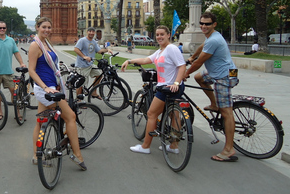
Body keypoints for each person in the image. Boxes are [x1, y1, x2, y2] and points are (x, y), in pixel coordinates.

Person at [29, 17, 86, 170]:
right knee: (71, 116)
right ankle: (76, 154)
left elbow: (50, 64)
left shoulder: (46, 43)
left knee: (40, 122)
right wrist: (45, 87)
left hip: (51, 86)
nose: (46, 30)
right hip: (46, 89)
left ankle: (36, 156)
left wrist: (60, 69)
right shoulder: (35, 45)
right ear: (37, 27)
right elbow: (32, 71)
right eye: (44, 27)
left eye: (49, 27)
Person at [121, 25, 186, 154]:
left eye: (162, 34)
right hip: (170, 86)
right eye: (157, 35)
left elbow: (182, 66)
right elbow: (146, 60)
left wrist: (177, 83)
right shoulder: (161, 50)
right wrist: (129, 60)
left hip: (169, 87)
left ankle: (145, 146)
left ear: (169, 35)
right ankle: (174, 146)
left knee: (151, 114)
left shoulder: (171, 48)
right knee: (174, 114)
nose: (159, 37)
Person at [185, 11, 239, 162]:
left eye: (207, 24)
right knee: (199, 77)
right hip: (228, 70)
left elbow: (199, 63)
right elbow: (202, 47)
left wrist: (185, 73)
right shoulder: (212, 37)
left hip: (224, 75)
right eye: (201, 23)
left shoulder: (213, 40)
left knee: (226, 111)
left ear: (214, 24)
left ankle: (229, 149)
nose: (203, 26)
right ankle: (214, 104)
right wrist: (191, 56)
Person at [0, 21, 26, 120]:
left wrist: (21, 63)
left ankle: (17, 112)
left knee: (14, 92)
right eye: (0, 28)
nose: (2, 29)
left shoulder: (11, 41)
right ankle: (0, 112)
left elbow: (16, 53)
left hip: (8, 71)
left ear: (6, 29)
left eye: (4, 28)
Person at [73, 27, 112, 95]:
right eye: (90, 31)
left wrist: (107, 50)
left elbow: (99, 51)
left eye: (93, 31)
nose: (91, 33)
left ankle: (94, 91)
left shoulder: (93, 41)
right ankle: (78, 100)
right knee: (82, 83)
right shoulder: (82, 40)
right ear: (87, 32)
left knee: (99, 75)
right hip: (82, 65)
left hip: (90, 64)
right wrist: (84, 56)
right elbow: (76, 49)